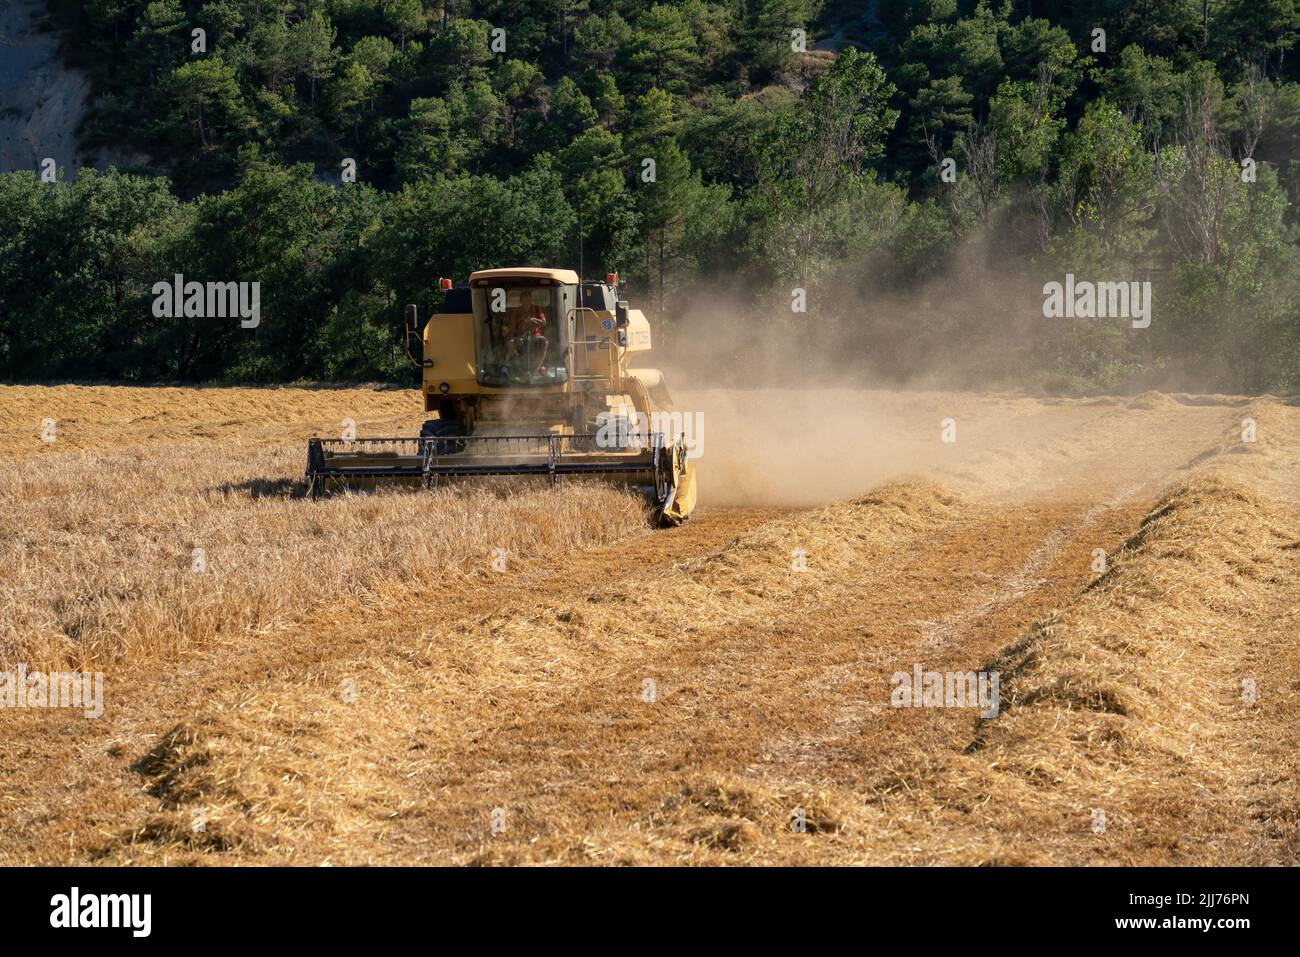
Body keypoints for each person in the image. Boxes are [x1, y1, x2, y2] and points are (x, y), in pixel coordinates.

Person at [505, 291, 548, 374]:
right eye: (524, 300)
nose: (526, 302)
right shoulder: (516, 311)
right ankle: (519, 367)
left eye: (528, 300)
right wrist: (507, 330)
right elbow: (512, 327)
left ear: (531, 300)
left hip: (536, 337)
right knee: (510, 343)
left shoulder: (537, 309)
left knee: (544, 342)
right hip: (521, 337)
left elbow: (544, 323)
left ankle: (536, 368)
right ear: (520, 301)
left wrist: (533, 319)